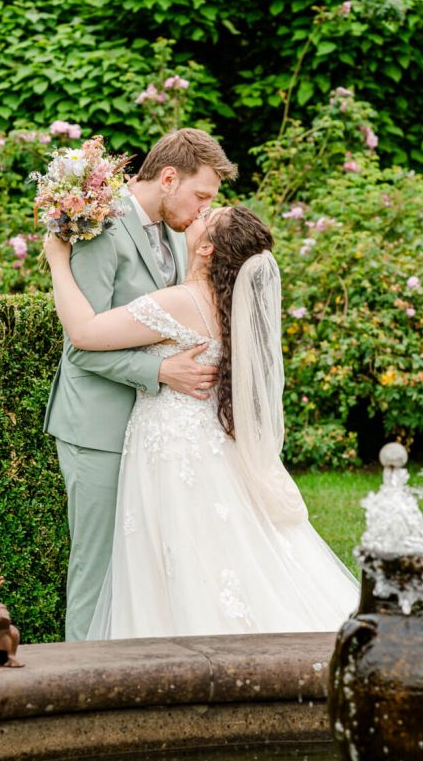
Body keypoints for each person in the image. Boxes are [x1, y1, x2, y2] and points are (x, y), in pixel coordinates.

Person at [44, 205, 358, 639]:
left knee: (175, 556)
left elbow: (84, 333)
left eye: (210, 215)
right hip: (206, 441)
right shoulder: (225, 305)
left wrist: (58, 260)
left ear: (207, 247)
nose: (202, 211)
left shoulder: (182, 301)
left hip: (171, 447)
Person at [44, 128, 238, 640]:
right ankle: (79, 686)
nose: (202, 211)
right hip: (98, 427)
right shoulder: (100, 229)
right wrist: (159, 371)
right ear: (169, 178)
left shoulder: (178, 232)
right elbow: (80, 344)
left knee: (141, 569)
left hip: (153, 432)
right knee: (98, 565)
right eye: (201, 196)